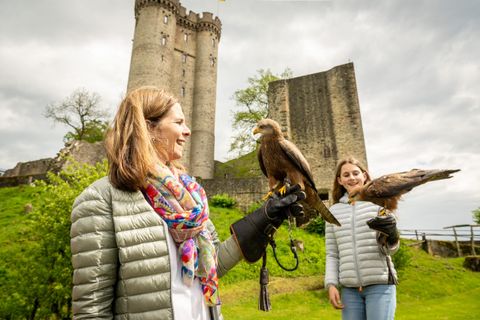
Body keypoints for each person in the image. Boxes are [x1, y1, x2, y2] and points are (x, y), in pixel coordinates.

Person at [70, 86, 305, 319]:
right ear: (148, 128)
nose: (188, 131)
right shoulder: (102, 200)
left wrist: (263, 219)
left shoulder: (191, 196)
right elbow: (91, 310)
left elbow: (213, 265)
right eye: (178, 122)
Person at [324, 157, 400, 320]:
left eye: (355, 173)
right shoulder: (333, 212)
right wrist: (331, 284)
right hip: (350, 290)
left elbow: (388, 249)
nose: (351, 178)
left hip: (380, 284)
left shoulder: (379, 205)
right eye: (346, 175)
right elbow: (332, 253)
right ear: (340, 180)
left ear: (364, 176)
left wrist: (392, 236)